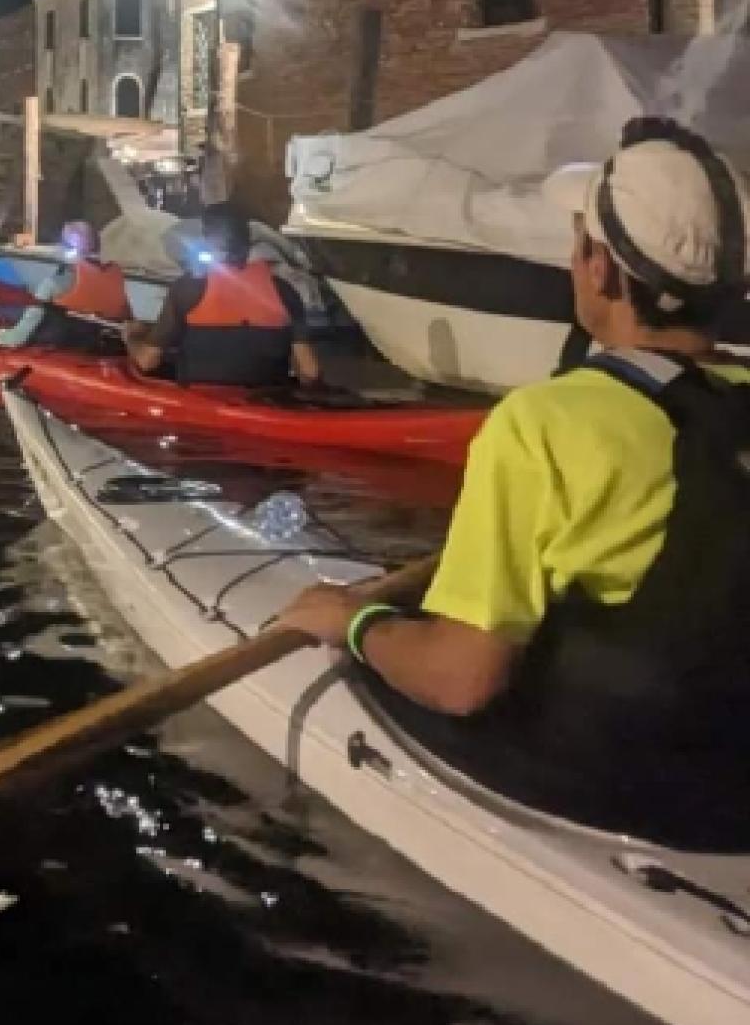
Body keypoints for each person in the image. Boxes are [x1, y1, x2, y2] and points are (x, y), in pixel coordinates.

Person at [278, 117, 750, 846]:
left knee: (382, 659)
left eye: (578, 243)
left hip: (627, 783)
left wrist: (353, 621)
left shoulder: (544, 424)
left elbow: (460, 682)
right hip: (732, 761)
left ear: (600, 268)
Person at [122, 203, 321, 387]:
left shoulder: (187, 289)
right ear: (248, 241)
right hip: (266, 405)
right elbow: (309, 372)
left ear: (208, 240)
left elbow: (147, 361)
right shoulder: (285, 291)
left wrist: (132, 337)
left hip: (203, 408)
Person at [0, 220, 131, 349]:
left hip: (61, 337)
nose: (61, 246)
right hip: (92, 336)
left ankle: (14, 337)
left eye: (65, 244)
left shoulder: (56, 284)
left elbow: (35, 311)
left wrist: (12, 337)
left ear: (76, 246)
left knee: (45, 291)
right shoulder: (111, 274)